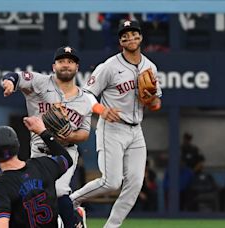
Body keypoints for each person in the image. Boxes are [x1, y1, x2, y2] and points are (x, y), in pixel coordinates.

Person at [69, 19, 162, 228]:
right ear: (120, 40)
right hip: (112, 128)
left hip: (136, 130)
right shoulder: (109, 66)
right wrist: (101, 110)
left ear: (141, 37)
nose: (130, 37)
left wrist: (151, 99)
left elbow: (157, 104)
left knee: (135, 184)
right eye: (125, 35)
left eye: (134, 33)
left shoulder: (150, 67)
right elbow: (85, 94)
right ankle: (70, 202)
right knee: (112, 182)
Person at [2, 46, 95, 227]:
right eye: (61, 61)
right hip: (39, 150)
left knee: (59, 190)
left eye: (70, 62)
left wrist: (71, 134)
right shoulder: (41, 82)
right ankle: (75, 215)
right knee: (38, 195)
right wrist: (10, 83)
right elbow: (16, 76)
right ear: (54, 66)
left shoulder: (85, 100)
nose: (65, 65)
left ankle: (73, 223)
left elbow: (84, 133)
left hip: (65, 152)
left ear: (77, 67)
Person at [0, 116, 84, 227]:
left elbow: (0, 225)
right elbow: (66, 158)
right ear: (17, 146)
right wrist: (43, 132)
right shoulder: (41, 165)